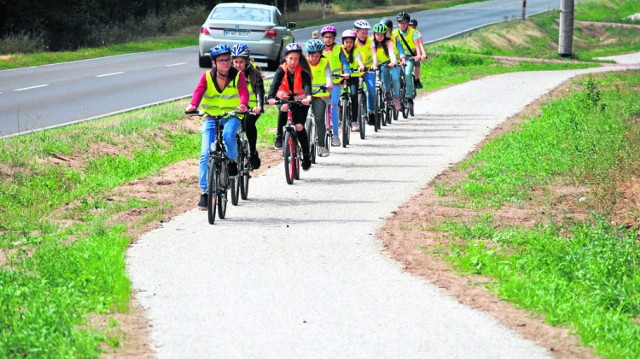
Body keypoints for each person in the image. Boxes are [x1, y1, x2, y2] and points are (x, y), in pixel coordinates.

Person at [185, 44, 249, 209]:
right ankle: (205, 193)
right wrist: (193, 105)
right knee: (205, 153)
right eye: (221, 61)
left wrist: (243, 104)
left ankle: (233, 160)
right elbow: (199, 91)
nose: (226, 63)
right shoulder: (206, 77)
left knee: (228, 136)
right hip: (211, 117)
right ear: (214, 62)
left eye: (228, 59)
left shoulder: (238, 76)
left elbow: (243, 92)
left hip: (231, 116)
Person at [267, 43, 314, 171]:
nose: (293, 62)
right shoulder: (281, 70)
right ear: (286, 58)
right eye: (290, 58)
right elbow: (274, 85)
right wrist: (271, 97)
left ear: (300, 59)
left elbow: (306, 85)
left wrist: (308, 97)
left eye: (296, 59)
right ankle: (278, 135)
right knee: (283, 107)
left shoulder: (302, 71)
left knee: (299, 126)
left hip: (300, 101)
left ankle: (306, 154)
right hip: (286, 99)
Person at [230, 43, 264, 169]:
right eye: (235, 62)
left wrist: (259, 106)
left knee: (248, 123)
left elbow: (260, 90)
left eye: (241, 62)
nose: (238, 65)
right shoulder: (228, 72)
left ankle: (253, 152)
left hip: (252, 107)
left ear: (247, 61)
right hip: (235, 107)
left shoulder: (254, 72)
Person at [320, 25, 350, 147]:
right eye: (326, 37)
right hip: (322, 83)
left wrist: (346, 72)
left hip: (336, 82)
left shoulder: (339, 49)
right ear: (323, 38)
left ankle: (336, 135)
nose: (328, 39)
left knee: (333, 106)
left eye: (330, 37)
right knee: (320, 107)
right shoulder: (318, 49)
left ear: (334, 38)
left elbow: (344, 62)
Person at [305, 39, 333, 157]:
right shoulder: (303, 63)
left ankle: (321, 146)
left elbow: (328, 75)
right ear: (308, 54)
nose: (314, 58)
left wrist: (329, 84)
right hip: (306, 94)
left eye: (317, 56)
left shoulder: (325, 62)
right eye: (312, 56)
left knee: (319, 118)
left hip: (321, 94)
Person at [392, 12, 425, 109]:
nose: (402, 25)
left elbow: (417, 45)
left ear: (408, 23)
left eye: (404, 22)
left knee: (407, 74)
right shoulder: (395, 33)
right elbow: (391, 45)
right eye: (400, 23)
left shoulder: (413, 32)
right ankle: (395, 97)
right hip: (398, 57)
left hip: (410, 57)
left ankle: (409, 97)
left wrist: (418, 55)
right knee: (394, 75)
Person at [371, 23, 402, 111]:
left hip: (387, 63)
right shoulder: (371, 42)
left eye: (381, 35)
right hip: (375, 64)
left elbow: (392, 53)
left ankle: (389, 93)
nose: (379, 37)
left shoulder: (389, 42)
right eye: (377, 34)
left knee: (388, 74)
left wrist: (393, 62)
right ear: (374, 34)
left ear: (385, 35)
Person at [340, 29, 365, 132]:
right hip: (341, 76)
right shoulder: (340, 50)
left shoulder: (356, 50)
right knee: (337, 96)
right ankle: (340, 117)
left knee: (354, 95)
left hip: (353, 76)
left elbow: (358, 59)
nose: (349, 44)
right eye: (346, 42)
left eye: (351, 42)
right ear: (343, 42)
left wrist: (361, 66)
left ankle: (354, 120)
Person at [353, 19, 377, 126]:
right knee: (352, 91)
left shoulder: (370, 42)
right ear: (356, 32)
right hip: (357, 69)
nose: (365, 35)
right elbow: (356, 55)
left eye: (366, 33)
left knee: (371, 89)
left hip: (369, 69)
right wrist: (360, 65)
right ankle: (350, 112)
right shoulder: (352, 42)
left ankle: (371, 112)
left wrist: (374, 64)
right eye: (362, 32)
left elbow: (374, 54)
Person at [408, 18, 427, 89]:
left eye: (413, 26)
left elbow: (420, 44)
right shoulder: (403, 32)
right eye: (410, 26)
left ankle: (416, 79)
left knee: (417, 63)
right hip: (404, 52)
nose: (411, 28)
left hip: (414, 51)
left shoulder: (416, 33)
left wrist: (423, 54)